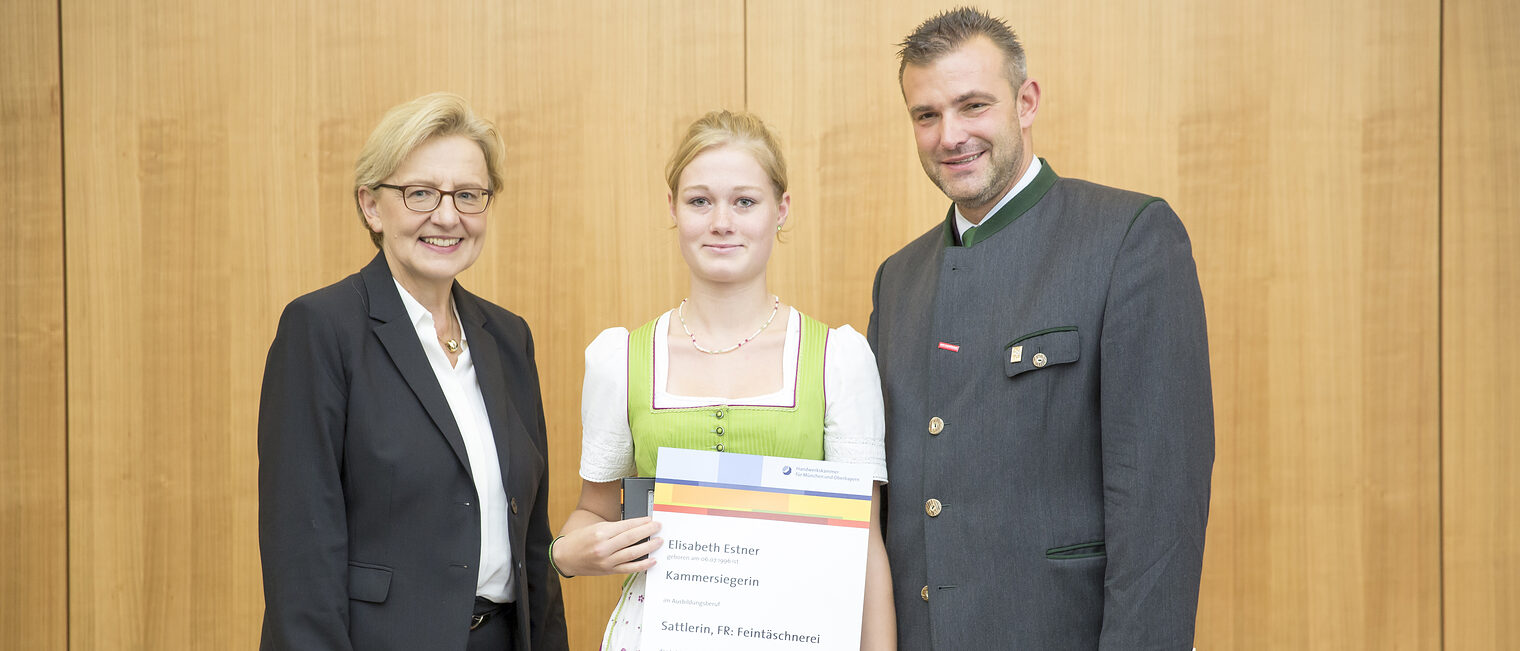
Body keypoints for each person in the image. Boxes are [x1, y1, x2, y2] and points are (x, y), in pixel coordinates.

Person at [868, 7, 1215, 649]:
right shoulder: (898, 280)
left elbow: (1160, 512)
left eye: (973, 105)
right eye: (927, 114)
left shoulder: (1128, 239)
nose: (950, 135)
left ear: (1026, 102)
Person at [551, 110, 897, 650]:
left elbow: (865, 544)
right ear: (672, 208)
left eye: (744, 201)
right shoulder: (620, 359)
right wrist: (566, 554)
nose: (721, 222)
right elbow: (591, 512)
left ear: (780, 210)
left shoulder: (838, 359)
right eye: (699, 201)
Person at [258, 92, 568, 651]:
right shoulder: (321, 329)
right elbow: (301, 554)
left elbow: (533, 541)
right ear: (372, 206)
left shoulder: (507, 337)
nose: (447, 216)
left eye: (469, 195)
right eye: (420, 193)